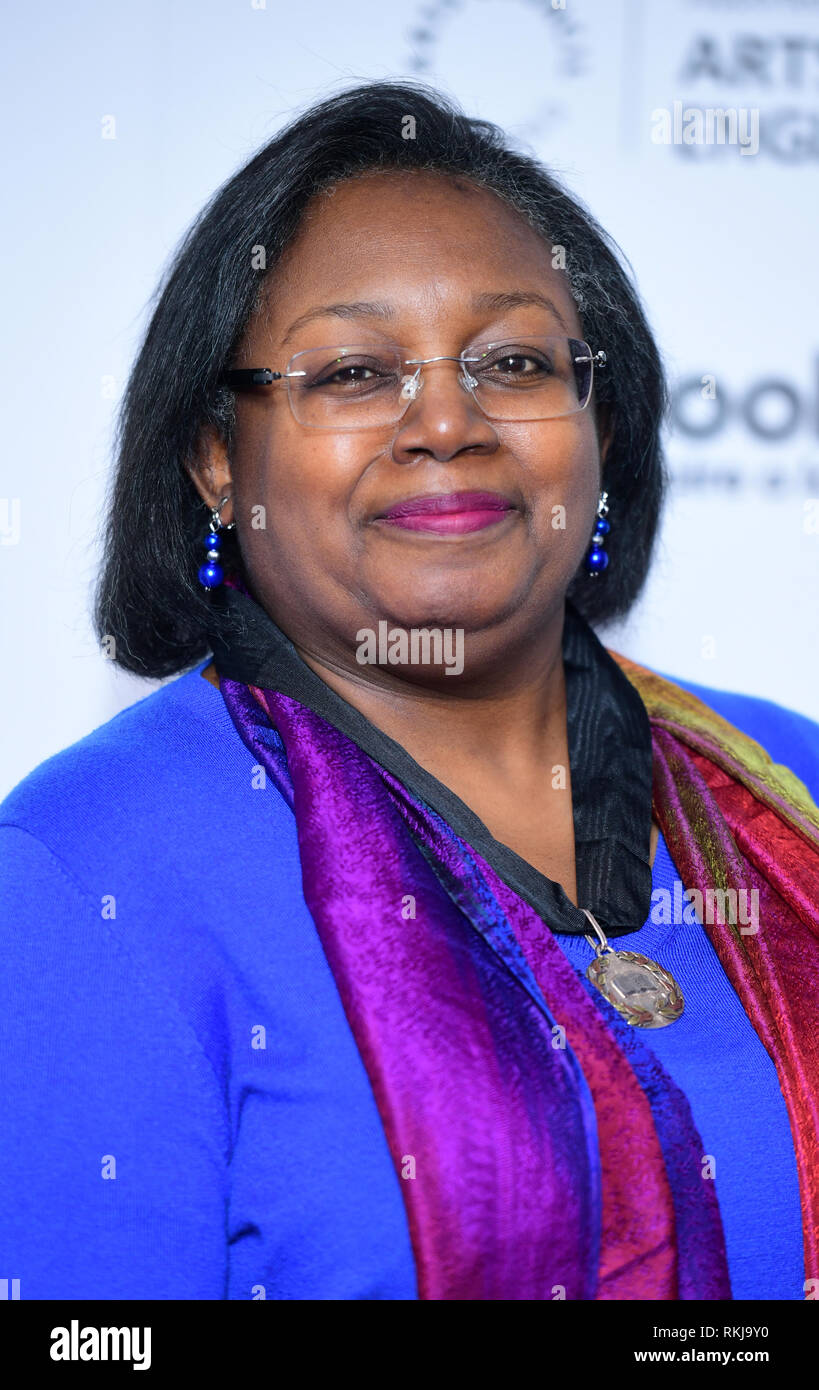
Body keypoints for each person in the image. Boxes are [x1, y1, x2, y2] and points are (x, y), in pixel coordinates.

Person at [2, 80, 818, 1303]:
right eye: (350, 372)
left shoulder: (786, 784)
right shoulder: (83, 873)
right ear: (218, 459)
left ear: (605, 427)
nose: (447, 419)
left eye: (516, 359)